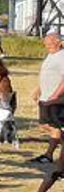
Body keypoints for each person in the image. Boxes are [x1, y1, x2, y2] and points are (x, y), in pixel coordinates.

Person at [28, 32, 64, 173]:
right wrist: (38, 89)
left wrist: (55, 95)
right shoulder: (51, 55)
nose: (47, 45)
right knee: (45, 124)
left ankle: (49, 155)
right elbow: (47, 74)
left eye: (50, 42)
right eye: (46, 43)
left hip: (55, 99)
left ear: (58, 42)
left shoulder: (61, 56)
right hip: (46, 97)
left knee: (54, 126)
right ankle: (50, 154)